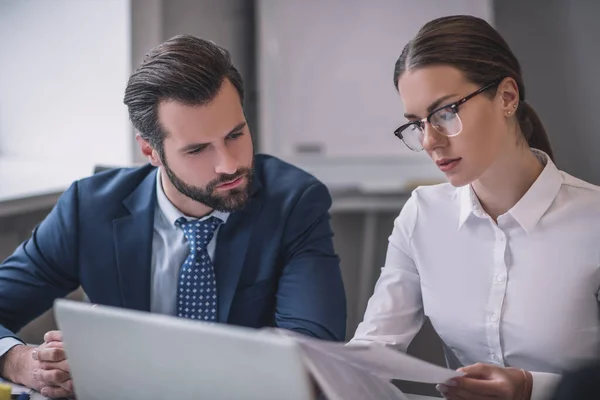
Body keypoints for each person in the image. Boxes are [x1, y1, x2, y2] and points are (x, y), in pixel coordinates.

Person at [0, 35, 347, 398]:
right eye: (197, 149)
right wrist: (22, 362)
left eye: (235, 134)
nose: (229, 163)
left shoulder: (294, 203)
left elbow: (315, 356)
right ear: (150, 150)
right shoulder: (88, 208)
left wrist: (130, 362)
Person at [349, 15, 600, 400]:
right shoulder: (423, 214)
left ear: (507, 97)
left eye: (446, 112)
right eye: (416, 123)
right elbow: (374, 349)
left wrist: (534, 388)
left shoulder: (592, 222)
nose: (430, 141)